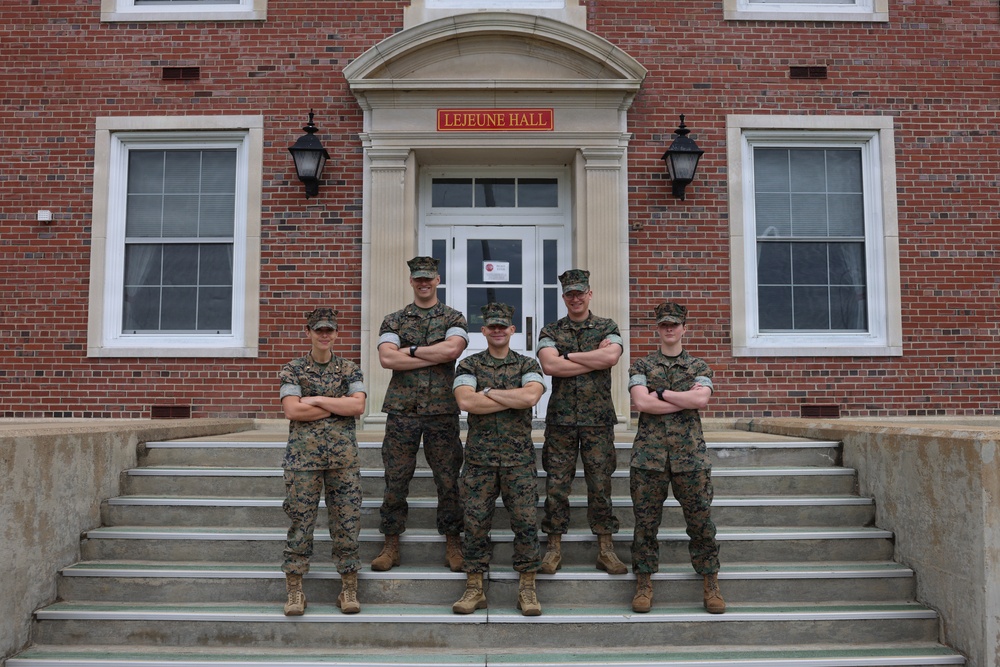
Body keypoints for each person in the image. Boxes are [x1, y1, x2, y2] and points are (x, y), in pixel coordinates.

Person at [627, 301, 725, 614]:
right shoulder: (641, 366)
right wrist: (683, 400)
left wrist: (662, 394)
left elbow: (702, 399)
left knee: (701, 524)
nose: (669, 329)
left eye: (675, 324)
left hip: (691, 459)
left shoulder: (699, 367)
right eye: (664, 324)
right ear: (657, 328)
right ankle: (643, 583)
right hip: (649, 458)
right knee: (645, 525)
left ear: (684, 328)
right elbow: (641, 403)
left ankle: (710, 583)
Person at [373, 256, 469, 572]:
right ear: (412, 281)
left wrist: (409, 351)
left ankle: (453, 543)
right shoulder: (394, 320)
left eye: (428, 278)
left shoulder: (454, 317)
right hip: (403, 411)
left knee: (448, 480)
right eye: (418, 279)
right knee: (396, 479)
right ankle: (391, 544)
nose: (424, 283)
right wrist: (431, 354)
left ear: (437, 280)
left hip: (442, 411)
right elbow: (387, 359)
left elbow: (452, 351)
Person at [451, 302, 546, 616]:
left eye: (502, 326)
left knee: (526, 524)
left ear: (512, 330)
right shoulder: (468, 364)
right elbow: (466, 401)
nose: (497, 331)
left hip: (518, 459)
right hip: (480, 459)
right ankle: (474, 588)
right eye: (492, 326)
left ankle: (528, 589)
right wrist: (509, 397)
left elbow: (531, 397)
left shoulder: (527, 363)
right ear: (484, 330)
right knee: (475, 524)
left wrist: (487, 391)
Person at [536, 269, 627, 575]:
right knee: (556, 485)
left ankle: (605, 548)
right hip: (561, 419)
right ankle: (553, 548)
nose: (575, 298)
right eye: (570, 294)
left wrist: (569, 357)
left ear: (590, 294)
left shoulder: (607, 326)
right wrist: (589, 357)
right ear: (564, 297)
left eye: (580, 293)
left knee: (600, 485)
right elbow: (549, 365)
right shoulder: (550, 330)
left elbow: (611, 358)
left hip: (597, 420)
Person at [278, 307, 367, 616]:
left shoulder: (349, 369)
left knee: (347, 524)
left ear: (336, 333)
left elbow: (357, 406)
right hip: (303, 461)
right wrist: (336, 406)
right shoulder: (292, 369)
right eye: (319, 330)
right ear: (309, 332)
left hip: (343, 461)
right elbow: (293, 411)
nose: (324, 335)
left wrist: (314, 400)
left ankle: (348, 589)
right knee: (301, 526)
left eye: (330, 330)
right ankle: (294, 591)